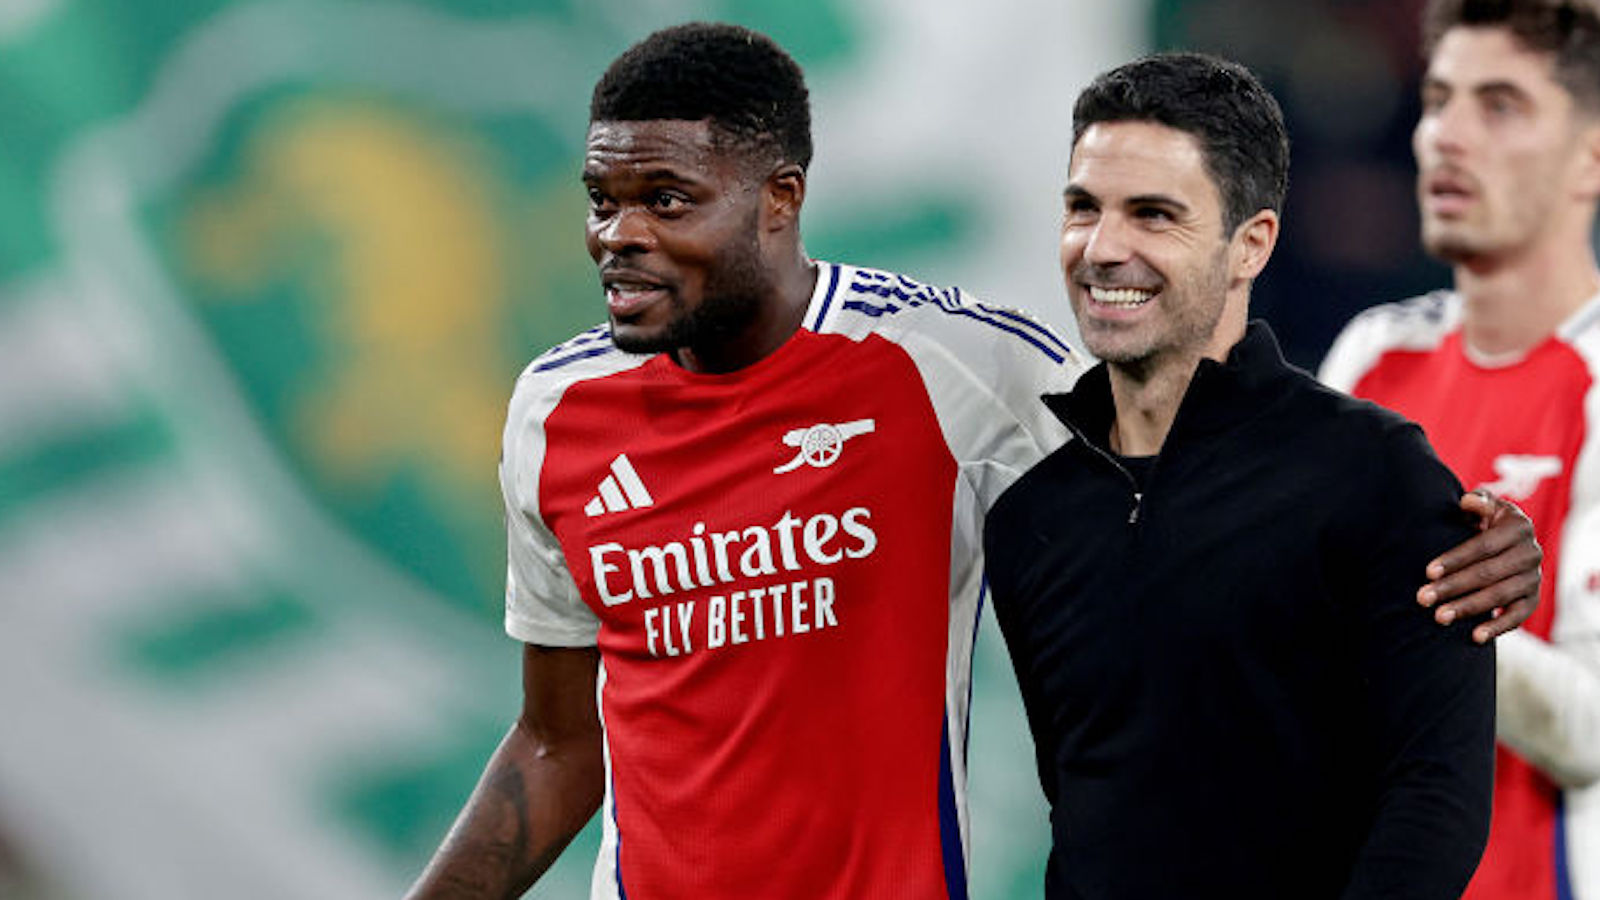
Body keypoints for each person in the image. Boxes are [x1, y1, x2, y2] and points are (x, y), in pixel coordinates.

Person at [407, 25, 1539, 900]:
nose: (619, 234)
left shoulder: (947, 366)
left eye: (667, 200)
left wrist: (1447, 532)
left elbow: (1214, 447)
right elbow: (558, 738)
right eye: (602, 201)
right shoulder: (556, 410)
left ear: (779, 202)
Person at [983, 52, 1503, 899]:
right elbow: (1079, 807)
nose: (1103, 248)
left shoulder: (1377, 476)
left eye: (1153, 215)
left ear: (1250, 245)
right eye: (1083, 208)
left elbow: (1435, 803)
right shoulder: (1031, 519)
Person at [1319, 1, 1600, 896]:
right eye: (1439, 100)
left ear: (1591, 156)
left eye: (1501, 106)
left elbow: (1592, 728)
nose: (1448, 135)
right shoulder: (1373, 357)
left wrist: (1419, 597)